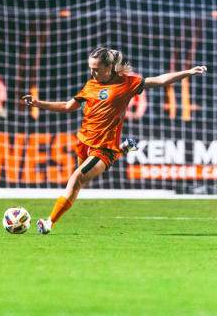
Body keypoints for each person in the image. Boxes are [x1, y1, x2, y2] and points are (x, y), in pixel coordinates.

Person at [22, 46, 206, 234]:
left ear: (109, 66)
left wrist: (188, 72)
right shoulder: (90, 85)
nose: (93, 73)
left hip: (103, 148)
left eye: (96, 69)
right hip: (84, 142)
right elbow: (69, 106)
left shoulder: (126, 83)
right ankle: (122, 150)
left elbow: (159, 80)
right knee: (79, 184)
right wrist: (38, 103)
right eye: (91, 68)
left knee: (76, 178)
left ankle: (48, 223)